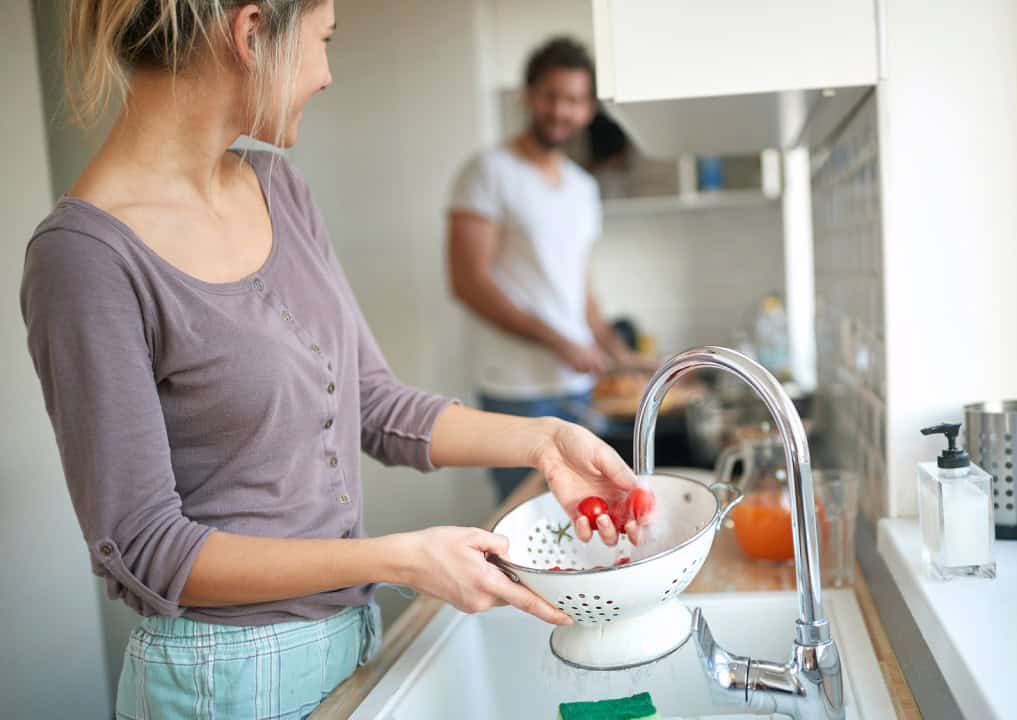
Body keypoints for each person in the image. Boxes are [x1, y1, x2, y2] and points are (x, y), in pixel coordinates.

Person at [20, 3, 639, 718]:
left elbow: (372, 401)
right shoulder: (84, 259)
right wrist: (399, 558)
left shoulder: (279, 187)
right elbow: (147, 548)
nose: (325, 74)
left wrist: (547, 442)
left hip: (350, 641)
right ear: (252, 33)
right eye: (323, 41)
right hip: (220, 682)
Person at [447, 37, 645, 502]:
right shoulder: (488, 172)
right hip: (515, 392)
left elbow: (583, 298)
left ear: (589, 108)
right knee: (525, 532)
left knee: (582, 525)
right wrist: (559, 341)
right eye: (551, 96)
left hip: (576, 391)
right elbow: (468, 283)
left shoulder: (582, 188)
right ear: (528, 95)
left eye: (574, 100)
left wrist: (621, 355)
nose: (561, 110)